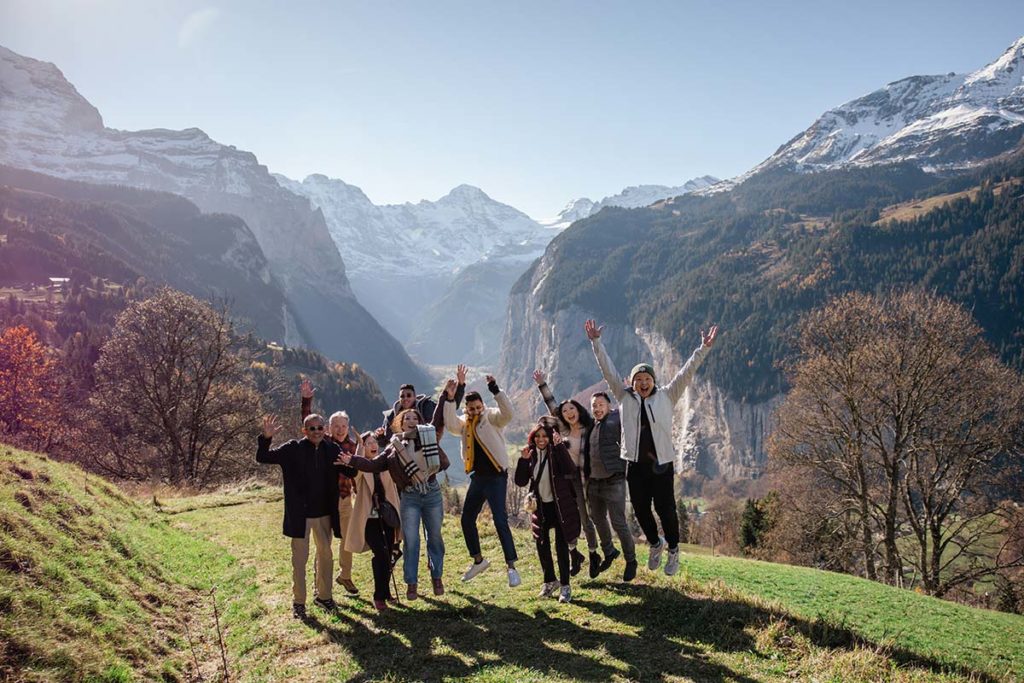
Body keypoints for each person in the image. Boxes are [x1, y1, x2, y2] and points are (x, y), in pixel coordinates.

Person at [585, 319, 719, 576]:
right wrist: (596, 342)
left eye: (647, 378)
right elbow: (608, 370)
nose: (643, 382)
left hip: (662, 464)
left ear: (653, 381)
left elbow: (687, 372)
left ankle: (673, 550)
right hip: (635, 465)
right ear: (632, 383)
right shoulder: (624, 397)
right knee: (640, 509)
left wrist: (703, 349)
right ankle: (655, 544)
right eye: (639, 379)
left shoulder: (668, 395)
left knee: (666, 509)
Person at [346, 380, 459, 600]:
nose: (411, 420)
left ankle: (437, 575)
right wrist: (352, 460)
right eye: (406, 418)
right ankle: (412, 583)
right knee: (411, 540)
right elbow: (374, 464)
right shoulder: (393, 447)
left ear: (419, 421)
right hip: (410, 495)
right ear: (399, 422)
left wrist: (446, 394)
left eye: (414, 417)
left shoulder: (428, 435)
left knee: (434, 536)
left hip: (432, 493)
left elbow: (437, 417)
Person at [256, 412, 345, 618]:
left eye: (320, 428)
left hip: (324, 514)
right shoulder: (292, 449)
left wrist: (357, 459)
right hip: (300, 516)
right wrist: (266, 438)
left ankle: (325, 597)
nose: (316, 432)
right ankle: (299, 602)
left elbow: (349, 471)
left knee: (326, 557)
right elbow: (263, 457)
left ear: (325, 430)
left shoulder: (332, 449)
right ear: (304, 431)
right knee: (299, 560)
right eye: (312, 428)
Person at [443, 373, 521, 587]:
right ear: (466, 409)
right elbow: (450, 424)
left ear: (482, 406)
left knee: (500, 520)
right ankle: (478, 560)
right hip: (478, 479)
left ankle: (511, 567)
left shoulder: (492, 417)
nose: (475, 411)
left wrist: (495, 389)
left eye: (478, 407)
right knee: (467, 519)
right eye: (471, 409)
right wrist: (450, 399)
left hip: (496, 477)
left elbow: (508, 414)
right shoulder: (465, 424)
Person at [532, 370, 599, 577]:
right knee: (565, 519)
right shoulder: (562, 428)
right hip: (563, 480)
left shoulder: (590, 429)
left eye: (572, 408)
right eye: (565, 410)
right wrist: (542, 384)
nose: (569, 412)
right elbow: (551, 403)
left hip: (582, 480)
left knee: (584, 519)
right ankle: (574, 554)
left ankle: (593, 554)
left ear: (579, 410)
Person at [300, 379, 359, 595]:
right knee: (323, 544)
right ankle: (319, 585)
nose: (340, 429)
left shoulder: (353, 447)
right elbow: (307, 421)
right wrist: (307, 399)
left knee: (347, 540)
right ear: (329, 428)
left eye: (344, 426)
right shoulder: (323, 442)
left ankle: (345, 576)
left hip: (344, 500)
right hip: (324, 501)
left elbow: (358, 472)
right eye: (336, 426)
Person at [514, 421, 581, 602]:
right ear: (533, 438)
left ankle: (565, 587)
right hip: (541, 508)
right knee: (542, 546)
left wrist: (559, 447)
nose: (541, 439)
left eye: (545, 436)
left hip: (560, 507)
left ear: (551, 437)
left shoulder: (557, 452)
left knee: (561, 548)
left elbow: (570, 470)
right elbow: (520, 481)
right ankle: (550, 581)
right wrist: (523, 460)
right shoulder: (532, 455)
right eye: (538, 436)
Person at [337, 431, 403, 611]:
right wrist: (358, 447)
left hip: (388, 516)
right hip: (369, 519)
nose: (372, 446)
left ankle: (386, 592)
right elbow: (354, 467)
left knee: (389, 553)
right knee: (381, 554)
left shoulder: (385, 464)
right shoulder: (360, 470)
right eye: (368, 443)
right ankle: (378, 596)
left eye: (374, 442)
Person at [586, 391, 637, 581]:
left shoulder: (617, 418)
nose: (597, 408)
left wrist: (628, 392)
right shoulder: (592, 425)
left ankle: (631, 561)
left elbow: (631, 412)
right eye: (594, 406)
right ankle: (609, 551)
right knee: (597, 518)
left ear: (609, 406)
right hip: (594, 482)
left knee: (618, 522)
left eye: (601, 404)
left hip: (613, 480)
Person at [381, 365, 466, 438]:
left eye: (409, 395)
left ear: (415, 397)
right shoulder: (390, 417)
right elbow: (385, 441)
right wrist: (380, 436)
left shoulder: (426, 407)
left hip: (427, 450)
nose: (405, 398)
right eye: (402, 396)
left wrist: (460, 385)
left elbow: (448, 409)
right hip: (402, 454)